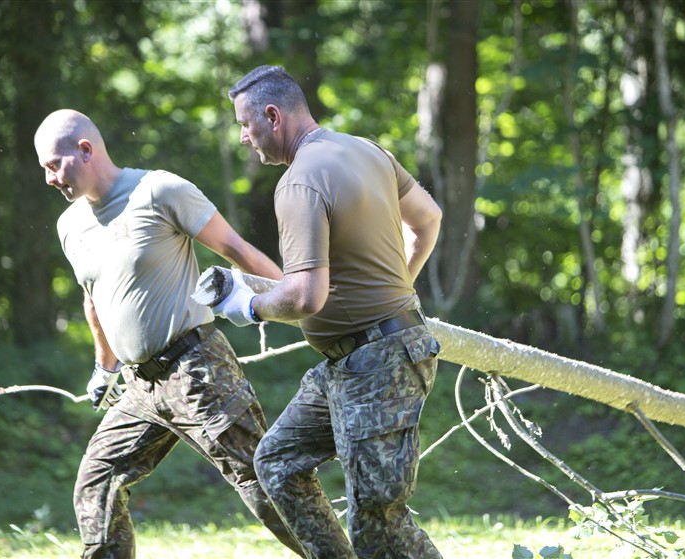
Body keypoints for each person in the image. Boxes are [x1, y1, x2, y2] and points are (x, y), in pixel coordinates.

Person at [33, 109, 304, 559]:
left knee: (262, 483)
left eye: (53, 165)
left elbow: (238, 251)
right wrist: (104, 366)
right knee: (98, 482)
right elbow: (94, 296)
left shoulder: (158, 190)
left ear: (85, 150)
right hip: (140, 386)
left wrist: (301, 305)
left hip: (196, 369)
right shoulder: (70, 225)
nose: (49, 178)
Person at [208, 65, 444, 558]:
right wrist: (396, 287)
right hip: (355, 360)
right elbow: (428, 219)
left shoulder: (300, 182)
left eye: (245, 125)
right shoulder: (367, 150)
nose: (245, 137)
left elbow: (303, 297)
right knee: (278, 462)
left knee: (380, 526)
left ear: (272, 116)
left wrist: (247, 306)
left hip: (378, 362)